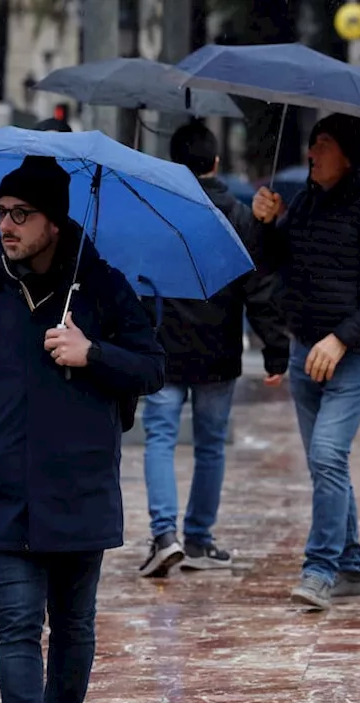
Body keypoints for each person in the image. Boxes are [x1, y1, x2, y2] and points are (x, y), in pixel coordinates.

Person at [0, 156, 165, 703]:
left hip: (81, 483)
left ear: (54, 222)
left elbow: (150, 366)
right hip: (9, 486)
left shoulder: (104, 288)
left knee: (73, 625)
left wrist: (90, 352)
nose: (5, 226)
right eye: (0, 212)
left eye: (20, 214)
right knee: (15, 620)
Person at [250, 113, 360, 611]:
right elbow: (274, 264)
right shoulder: (306, 201)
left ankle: (319, 569)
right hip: (304, 354)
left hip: (354, 356)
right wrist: (266, 224)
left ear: (351, 153)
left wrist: (340, 339)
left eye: (322, 144)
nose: (311, 153)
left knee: (326, 456)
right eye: (312, 143)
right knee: (327, 466)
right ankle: (352, 568)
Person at [137, 122, 290, 578]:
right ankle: (199, 539)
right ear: (216, 163)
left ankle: (165, 536)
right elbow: (259, 286)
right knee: (210, 447)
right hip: (218, 348)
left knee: (160, 439)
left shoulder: (157, 213)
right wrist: (275, 349)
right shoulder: (238, 216)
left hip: (161, 344)